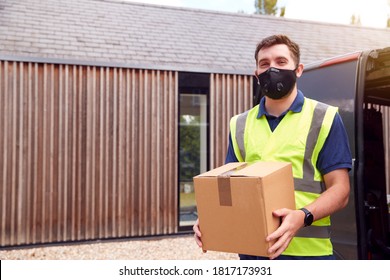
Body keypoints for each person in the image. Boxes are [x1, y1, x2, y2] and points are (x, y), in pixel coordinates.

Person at [193, 34, 352, 260]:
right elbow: (228, 186)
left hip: (308, 256)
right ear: (256, 74)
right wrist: (211, 217)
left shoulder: (324, 118)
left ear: (298, 70)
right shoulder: (239, 124)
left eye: (281, 62)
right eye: (264, 64)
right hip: (252, 252)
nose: (272, 69)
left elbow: (340, 190)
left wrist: (302, 216)